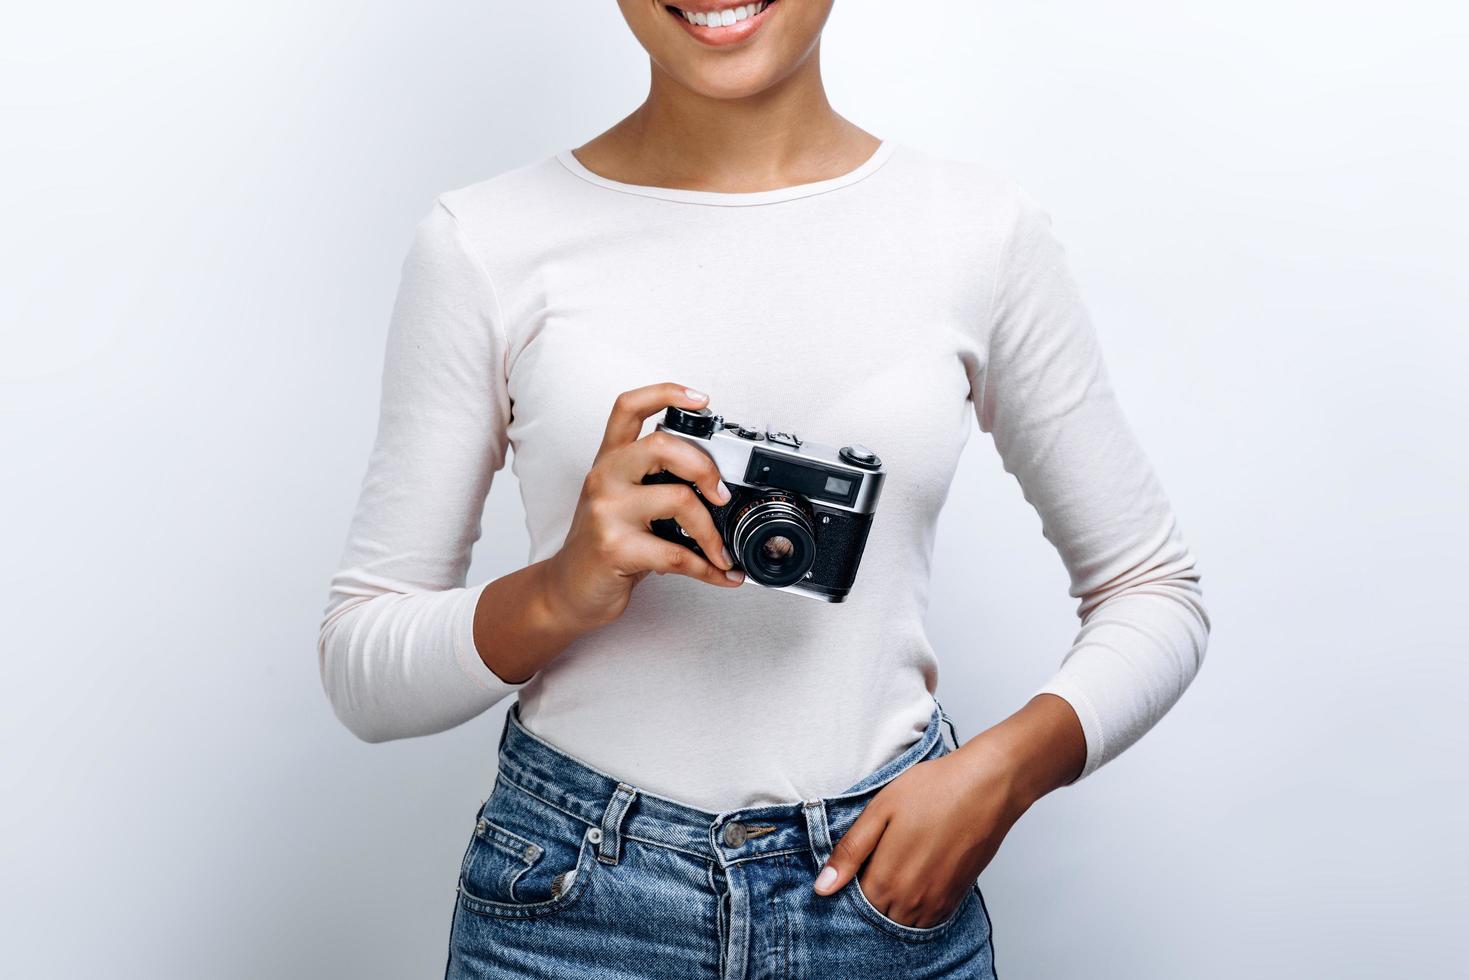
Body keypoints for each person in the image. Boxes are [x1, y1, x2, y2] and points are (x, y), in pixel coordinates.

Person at [317, 2, 1212, 976]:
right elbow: (362, 667)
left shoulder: (975, 231)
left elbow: (1153, 589)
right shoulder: (484, 240)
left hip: (880, 891)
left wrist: (996, 775)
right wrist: (559, 589)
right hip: (571, 906)